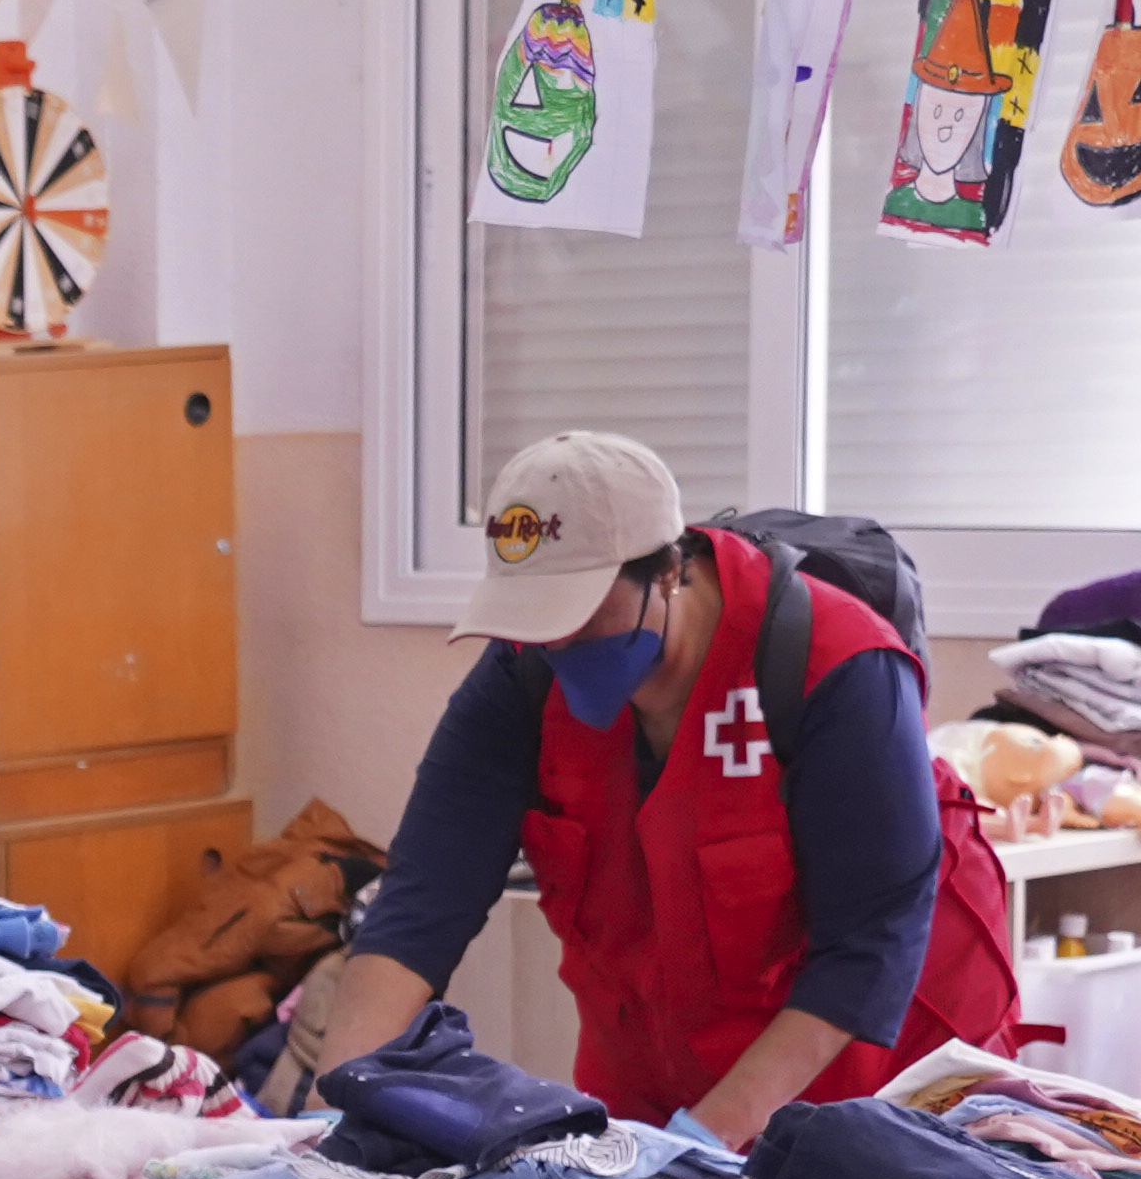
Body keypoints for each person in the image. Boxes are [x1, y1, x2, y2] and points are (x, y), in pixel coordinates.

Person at [281, 430, 1022, 1141]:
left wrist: (701, 1145)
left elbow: (867, 952)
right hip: (656, 1065)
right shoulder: (523, 673)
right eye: (534, 620)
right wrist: (333, 1104)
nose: (556, 644)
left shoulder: (837, 665)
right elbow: (422, 900)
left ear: (669, 569)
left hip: (878, 1062)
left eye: (576, 614)